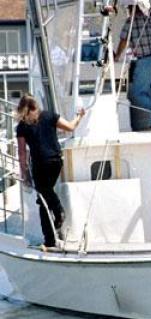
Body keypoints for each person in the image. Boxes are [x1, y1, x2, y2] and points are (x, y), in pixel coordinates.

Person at [16, 94, 86, 249]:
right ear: (36, 105)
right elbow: (70, 127)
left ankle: (57, 213)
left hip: (40, 165)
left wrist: (24, 174)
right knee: (43, 200)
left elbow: (22, 154)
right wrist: (79, 116)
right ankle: (50, 237)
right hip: (55, 162)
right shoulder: (49, 115)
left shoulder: (22, 126)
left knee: (43, 195)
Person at [114, 3, 151, 129]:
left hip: (144, 61)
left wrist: (117, 56)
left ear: (130, 10)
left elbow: (123, 40)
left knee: (137, 93)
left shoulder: (130, 22)